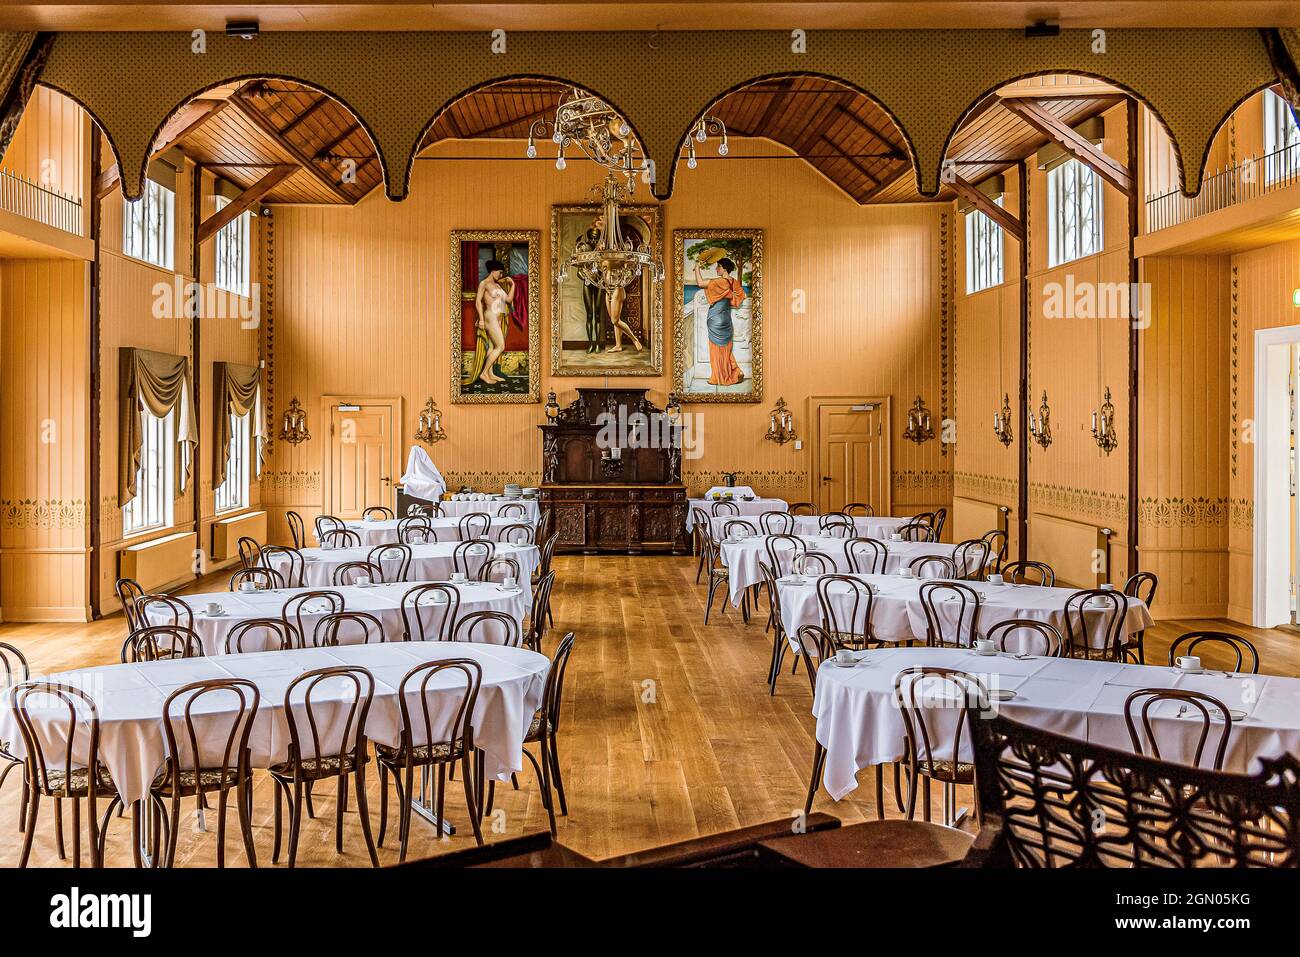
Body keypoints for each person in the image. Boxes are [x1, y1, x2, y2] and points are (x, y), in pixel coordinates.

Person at [696, 255, 745, 386]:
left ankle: (718, 378)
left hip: (715, 319)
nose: (716, 269)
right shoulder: (734, 282)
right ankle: (733, 372)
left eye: (718, 266)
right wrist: (729, 295)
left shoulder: (719, 282)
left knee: (716, 351)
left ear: (724, 269)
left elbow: (700, 283)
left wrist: (697, 267)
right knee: (726, 350)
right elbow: (739, 297)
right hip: (726, 320)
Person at [466, 259, 514, 386]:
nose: (501, 275)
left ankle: (490, 374)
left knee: (493, 347)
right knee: (501, 347)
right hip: (489, 317)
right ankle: (484, 373)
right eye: (499, 272)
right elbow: (478, 302)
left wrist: (513, 285)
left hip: (498, 319)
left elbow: (508, 300)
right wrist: (481, 319)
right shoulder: (484, 283)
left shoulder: (498, 286)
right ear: (492, 271)